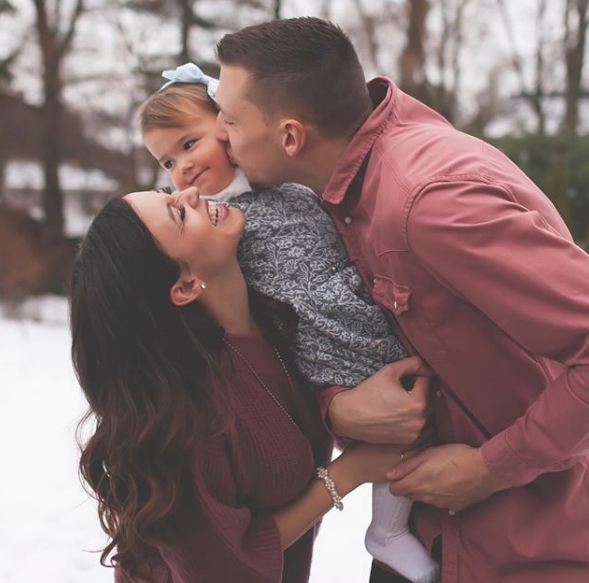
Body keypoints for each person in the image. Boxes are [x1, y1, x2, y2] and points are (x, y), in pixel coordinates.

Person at [213, 16, 589, 583]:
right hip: (430, 532)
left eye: (231, 121)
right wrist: (338, 403)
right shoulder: (346, 185)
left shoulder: (427, 203)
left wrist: (491, 469)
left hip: (526, 544)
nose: (221, 138)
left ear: (291, 136)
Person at [136, 63, 439, 583]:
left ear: (230, 129)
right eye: (167, 161)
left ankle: (394, 530)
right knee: (408, 426)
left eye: (189, 144)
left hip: (362, 314)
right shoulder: (210, 221)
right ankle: (388, 533)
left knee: (416, 425)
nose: (181, 172)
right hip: (332, 348)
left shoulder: (286, 187)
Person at [70, 185, 407, 583]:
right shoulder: (187, 417)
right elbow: (218, 569)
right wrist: (350, 472)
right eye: (178, 213)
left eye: (169, 192)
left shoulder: (276, 318)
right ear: (184, 286)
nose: (191, 191)